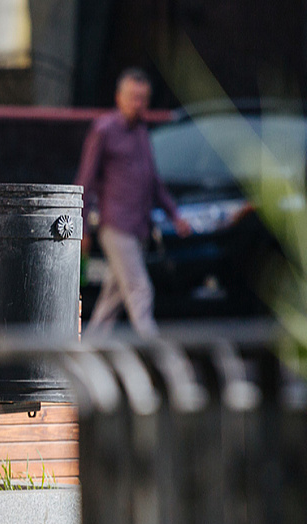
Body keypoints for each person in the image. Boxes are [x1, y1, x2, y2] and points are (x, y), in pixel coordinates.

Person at [77, 67, 192, 336]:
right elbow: (84, 182)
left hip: (139, 226)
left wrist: (175, 214)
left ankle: (89, 350)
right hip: (115, 225)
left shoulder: (142, 131)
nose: (137, 104)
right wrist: (80, 228)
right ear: (119, 98)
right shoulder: (103, 130)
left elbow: (153, 181)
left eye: (142, 99)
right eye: (132, 97)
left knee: (112, 298)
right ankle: (154, 354)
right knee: (140, 290)